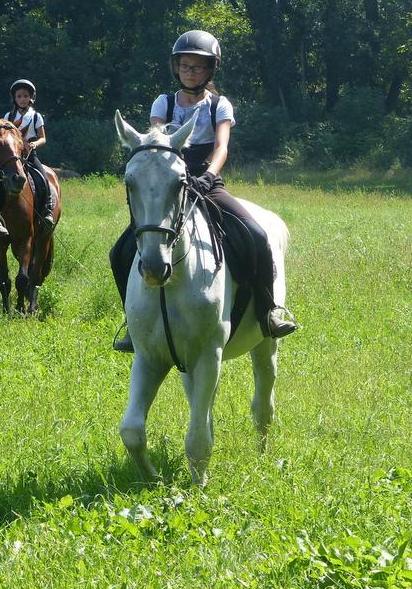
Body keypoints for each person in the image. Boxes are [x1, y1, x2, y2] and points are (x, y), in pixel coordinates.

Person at [110, 30, 297, 352]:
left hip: (207, 181)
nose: (190, 72)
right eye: (185, 66)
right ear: (176, 68)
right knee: (120, 251)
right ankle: (132, 322)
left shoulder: (219, 105)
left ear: (209, 70)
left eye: (197, 67)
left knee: (254, 234)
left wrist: (209, 176)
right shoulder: (164, 102)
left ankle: (268, 311)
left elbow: (222, 146)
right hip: (170, 184)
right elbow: (155, 141)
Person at [4, 78, 55, 229]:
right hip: (13, 155)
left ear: (31, 98)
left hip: (30, 155)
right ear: (14, 98)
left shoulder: (35, 116)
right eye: (19, 96)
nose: (22, 99)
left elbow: (43, 138)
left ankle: (48, 209)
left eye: (25, 96)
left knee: (42, 177)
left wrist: (33, 144)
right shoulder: (8, 116)